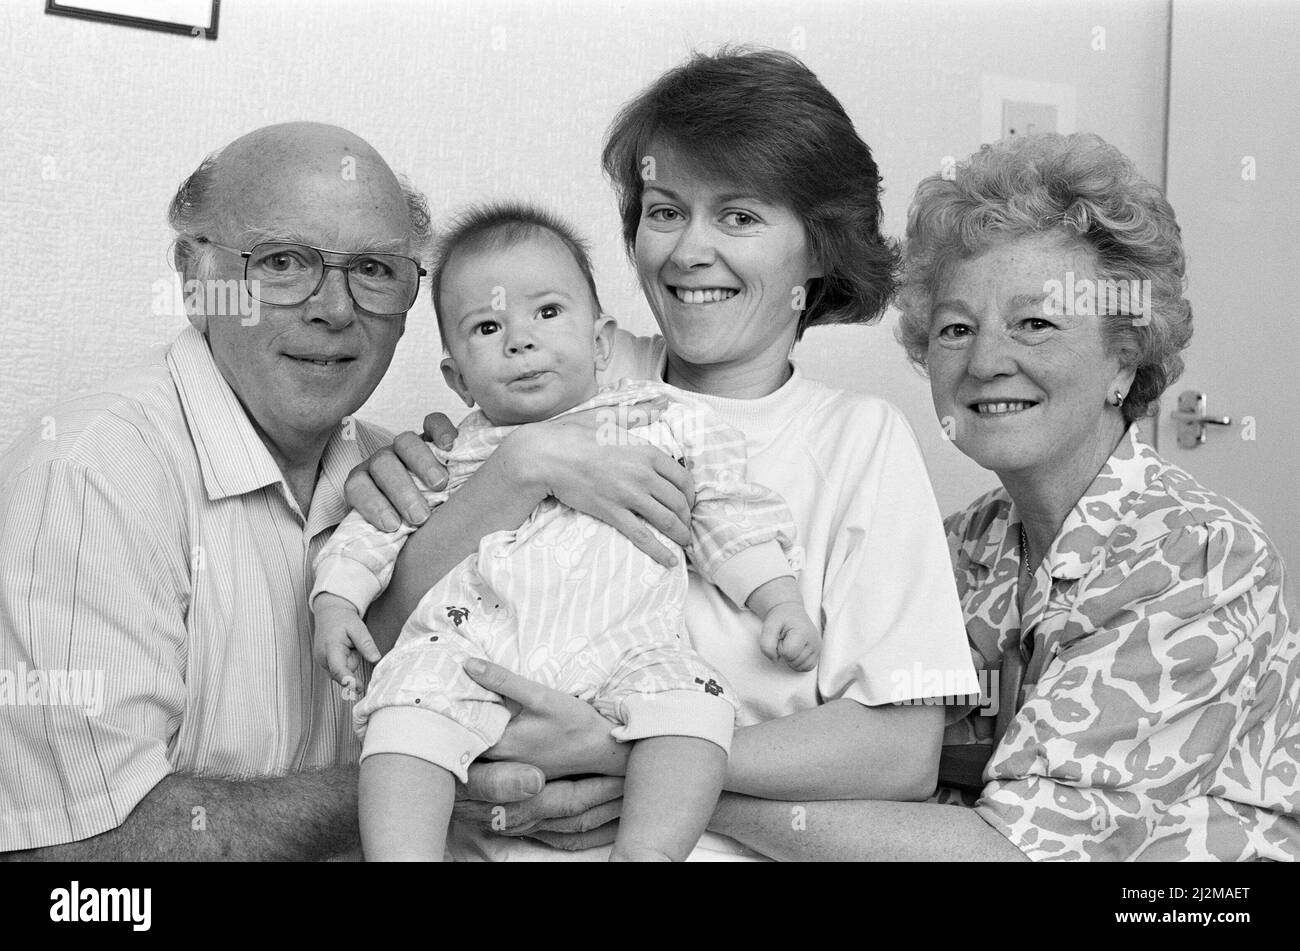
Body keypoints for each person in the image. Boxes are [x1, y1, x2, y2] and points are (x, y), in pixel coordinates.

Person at [344, 48, 979, 861]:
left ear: (818, 251)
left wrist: (624, 752)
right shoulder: (562, 372)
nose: (687, 252)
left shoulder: (859, 439)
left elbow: (902, 755)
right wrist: (517, 468)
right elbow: (389, 634)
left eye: (740, 217)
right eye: (666, 210)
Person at [693, 132, 1300, 860]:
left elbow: (1011, 854)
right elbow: (876, 762)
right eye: (956, 328)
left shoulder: (1198, 556)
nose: (984, 361)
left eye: (1034, 324)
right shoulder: (961, 541)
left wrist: (687, 790)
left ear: (1124, 357)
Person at [312, 203, 820, 861]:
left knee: (697, 708)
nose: (520, 340)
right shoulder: (450, 456)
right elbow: (373, 530)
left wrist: (777, 599)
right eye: (488, 326)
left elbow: (726, 512)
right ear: (456, 375)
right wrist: (336, 601)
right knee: (404, 714)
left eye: (548, 313)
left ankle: (649, 851)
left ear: (601, 341)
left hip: (626, 643)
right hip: (474, 644)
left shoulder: (658, 424)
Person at [0, 122, 431, 860]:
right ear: (195, 279)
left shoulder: (408, 479)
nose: (334, 307)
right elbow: (72, 854)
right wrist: (429, 788)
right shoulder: (90, 472)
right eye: (284, 261)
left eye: (374, 268)